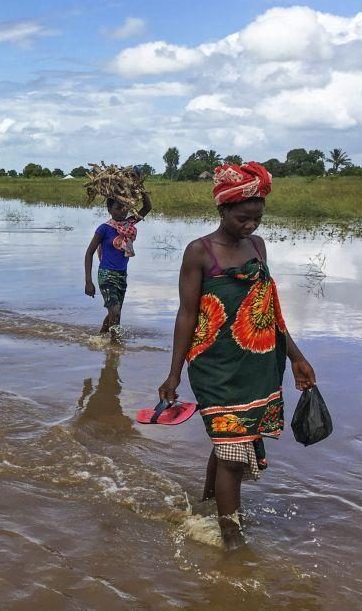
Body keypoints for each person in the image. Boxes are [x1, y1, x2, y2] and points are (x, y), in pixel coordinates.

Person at [157, 161, 316, 551]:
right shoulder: (200, 252)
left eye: (257, 219)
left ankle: (209, 501)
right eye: (243, 218)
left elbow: (269, 309)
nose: (250, 226)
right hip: (215, 366)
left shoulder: (258, 247)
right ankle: (231, 538)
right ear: (223, 211)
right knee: (232, 454)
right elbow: (187, 314)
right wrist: (174, 374)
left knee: (233, 441)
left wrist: (296, 356)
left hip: (259, 363)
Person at [84, 189, 152, 340]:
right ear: (109, 210)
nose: (122, 211)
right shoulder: (104, 229)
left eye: (124, 208)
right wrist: (88, 281)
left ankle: (100, 339)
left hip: (121, 275)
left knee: (114, 313)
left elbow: (147, 208)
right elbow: (89, 253)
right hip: (106, 275)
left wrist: (141, 189)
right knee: (115, 312)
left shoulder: (129, 223)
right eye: (117, 208)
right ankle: (115, 348)